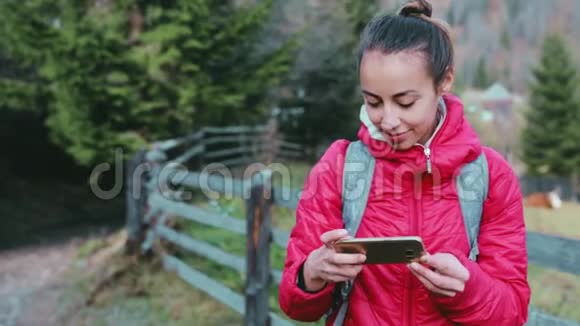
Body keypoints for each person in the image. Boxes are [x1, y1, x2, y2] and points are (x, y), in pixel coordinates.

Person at [278, 0, 531, 325]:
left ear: (445, 82)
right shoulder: (340, 166)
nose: (388, 119)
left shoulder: (491, 175)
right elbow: (294, 304)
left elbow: (513, 311)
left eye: (405, 102)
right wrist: (312, 274)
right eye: (373, 102)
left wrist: (468, 289)